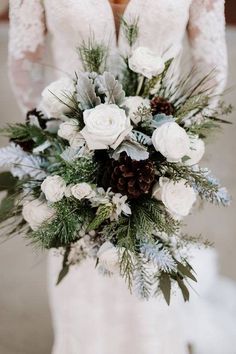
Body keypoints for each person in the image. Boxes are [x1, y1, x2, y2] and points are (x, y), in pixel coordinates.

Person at [8, 1, 236, 353]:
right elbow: (25, 63)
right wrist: (53, 139)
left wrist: (177, 144)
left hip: (158, 166)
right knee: (82, 284)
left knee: (150, 287)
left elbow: (211, 68)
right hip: (71, 160)